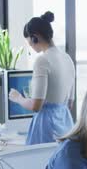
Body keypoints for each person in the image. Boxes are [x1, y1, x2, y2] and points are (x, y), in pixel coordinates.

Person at [8, 11, 75, 145]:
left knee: (39, 164)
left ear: (35, 37)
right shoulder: (67, 59)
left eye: (29, 42)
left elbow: (36, 105)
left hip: (46, 127)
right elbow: (70, 103)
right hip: (66, 124)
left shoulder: (42, 61)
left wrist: (18, 98)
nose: (30, 46)